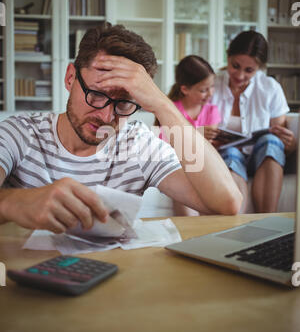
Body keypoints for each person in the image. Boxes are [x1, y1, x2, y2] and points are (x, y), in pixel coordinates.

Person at [0, 24, 242, 234]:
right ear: (70, 78)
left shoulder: (138, 145)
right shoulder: (20, 134)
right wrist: (13, 203)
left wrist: (162, 104)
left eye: (124, 103)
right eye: (96, 95)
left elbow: (227, 203)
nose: (106, 116)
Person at [209, 30, 296, 213]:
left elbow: (281, 141)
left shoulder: (270, 87)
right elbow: (194, 123)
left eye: (249, 70)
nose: (240, 75)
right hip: (227, 158)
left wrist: (290, 143)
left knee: (271, 141)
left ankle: (267, 222)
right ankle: (235, 228)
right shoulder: (211, 85)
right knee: (231, 152)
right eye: (235, 66)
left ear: (259, 69)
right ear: (228, 56)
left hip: (261, 161)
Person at [157, 55, 222, 215]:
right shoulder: (171, 109)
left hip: (204, 163)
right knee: (186, 180)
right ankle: (189, 234)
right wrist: (198, 135)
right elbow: (164, 143)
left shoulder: (211, 111)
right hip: (178, 163)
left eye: (212, 87)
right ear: (185, 89)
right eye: (203, 90)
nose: (210, 93)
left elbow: (211, 148)